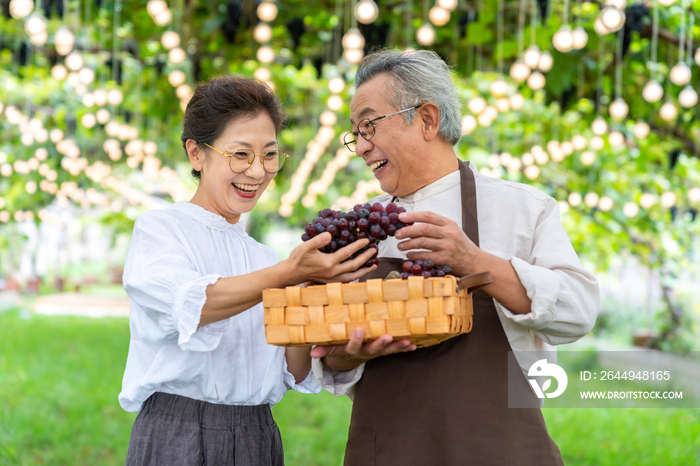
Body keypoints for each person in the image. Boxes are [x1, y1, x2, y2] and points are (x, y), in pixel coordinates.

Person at [309, 49, 600, 465]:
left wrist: (474, 260)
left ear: (427, 119)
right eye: (355, 132)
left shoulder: (521, 207)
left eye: (369, 126)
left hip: (497, 449)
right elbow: (329, 354)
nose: (361, 147)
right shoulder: (362, 227)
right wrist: (349, 354)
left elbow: (578, 312)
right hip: (389, 450)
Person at [118, 75, 380, 466]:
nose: (258, 173)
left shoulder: (265, 258)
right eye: (241, 155)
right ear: (196, 153)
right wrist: (286, 274)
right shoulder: (161, 230)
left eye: (270, 155)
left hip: (258, 434)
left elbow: (295, 369)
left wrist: (304, 292)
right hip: (179, 432)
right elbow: (191, 305)